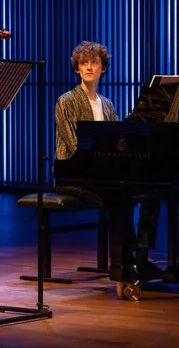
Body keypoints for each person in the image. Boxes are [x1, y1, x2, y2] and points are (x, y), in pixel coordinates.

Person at [53, 41, 163, 282]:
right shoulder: (66, 101)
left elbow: (115, 141)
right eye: (84, 63)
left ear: (103, 68)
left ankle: (141, 256)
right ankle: (124, 264)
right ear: (77, 69)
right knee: (116, 197)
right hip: (73, 175)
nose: (89, 67)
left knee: (152, 193)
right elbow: (73, 146)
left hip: (100, 172)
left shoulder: (107, 103)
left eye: (94, 63)